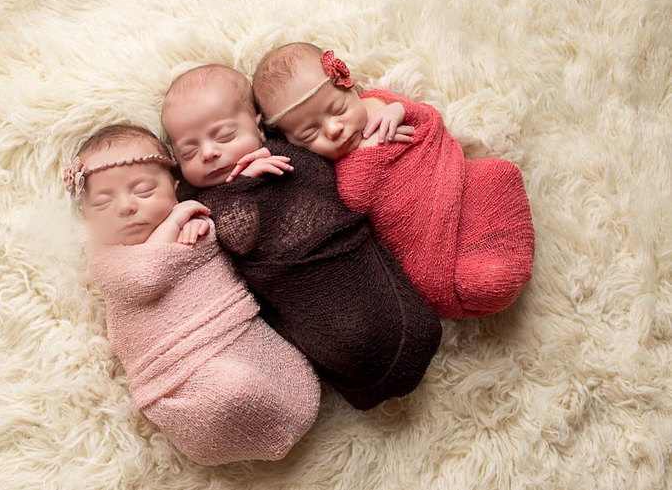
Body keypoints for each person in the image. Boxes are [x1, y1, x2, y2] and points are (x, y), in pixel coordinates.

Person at [161, 65, 442, 411]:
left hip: (351, 263)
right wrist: (234, 192)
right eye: (189, 152)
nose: (208, 153)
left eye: (224, 135)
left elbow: (337, 151)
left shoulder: (292, 146)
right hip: (300, 298)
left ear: (259, 127)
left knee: (384, 319)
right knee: (343, 342)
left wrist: (387, 110)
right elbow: (236, 241)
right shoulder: (206, 204)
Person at [63, 124, 319, 465]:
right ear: (86, 215)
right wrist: (173, 225)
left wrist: (203, 228)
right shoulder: (105, 256)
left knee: (248, 379)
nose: (125, 207)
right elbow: (143, 278)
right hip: (173, 372)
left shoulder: (195, 213)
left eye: (143, 190)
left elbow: (228, 244)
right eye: (103, 202)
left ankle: (277, 401)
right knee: (231, 389)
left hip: (232, 334)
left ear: (175, 189)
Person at [252, 43, 535, 318]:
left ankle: (496, 253)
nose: (334, 128)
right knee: (482, 281)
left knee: (499, 174)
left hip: (459, 185)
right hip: (425, 243)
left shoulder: (377, 103)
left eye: (338, 110)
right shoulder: (321, 170)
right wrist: (365, 163)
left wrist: (399, 111)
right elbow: (346, 207)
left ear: (350, 86)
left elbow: (429, 120)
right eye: (310, 133)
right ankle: (483, 273)